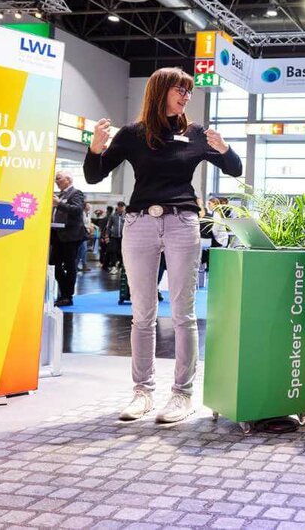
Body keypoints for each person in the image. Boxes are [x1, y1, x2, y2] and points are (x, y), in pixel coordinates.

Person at [84, 67, 243, 424]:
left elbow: (234, 169)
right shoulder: (132, 134)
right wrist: (95, 148)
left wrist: (225, 149)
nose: (186, 96)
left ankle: (182, 395)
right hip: (139, 222)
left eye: (188, 91)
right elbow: (94, 175)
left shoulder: (196, 134)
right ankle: (142, 392)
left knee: (183, 313)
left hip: (183, 222)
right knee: (143, 314)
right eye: (179, 90)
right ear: (159, 91)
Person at [50, 170, 85, 307]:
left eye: (59, 178)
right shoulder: (60, 195)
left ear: (68, 180)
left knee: (70, 266)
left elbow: (77, 210)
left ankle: (67, 296)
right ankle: (64, 292)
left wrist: (59, 204)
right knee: (54, 264)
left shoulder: (76, 193)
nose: (56, 181)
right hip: (58, 235)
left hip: (71, 236)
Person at [106, 202, 127, 275]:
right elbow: (108, 226)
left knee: (122, 252)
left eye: (122, 207)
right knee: (112, 250)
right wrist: (107, 236)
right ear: (117, 207)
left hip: (124, 237)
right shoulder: (113, 216)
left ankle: (121, 266)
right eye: (119, 206)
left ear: (124, 207)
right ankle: (114, 266)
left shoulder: (127, 216)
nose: (120, 208)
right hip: (114, 236)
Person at [78, 202, 93, 271]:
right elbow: (81, 223)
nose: (89, 206)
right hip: (81, 233)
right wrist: (88, 227)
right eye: (88, 205)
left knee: (82, 249)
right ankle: (83, 264)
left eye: (90, 205)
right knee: (83, 249)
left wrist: (91, 227)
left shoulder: (88, 214)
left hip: (86, 233)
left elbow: (89, 223)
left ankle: (80, 264)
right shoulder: (81, 213)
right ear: (84, 206)